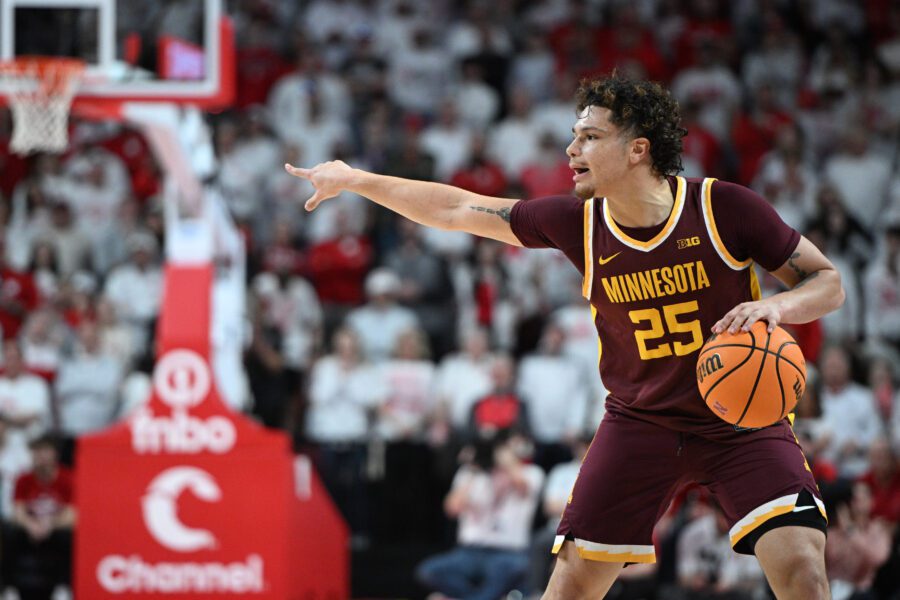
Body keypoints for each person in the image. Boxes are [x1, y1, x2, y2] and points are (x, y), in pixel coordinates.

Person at [286, 74, 844, 598]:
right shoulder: (578, 223)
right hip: (641, 420)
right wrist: (357, 180)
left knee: (803, 570)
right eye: (573, 136)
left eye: (590, 136)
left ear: (637, 149)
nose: (571, 150)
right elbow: (457, 208)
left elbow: (827, 281)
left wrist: (778, 307)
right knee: (570, 587)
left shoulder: (723, 208)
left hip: (742, 422)